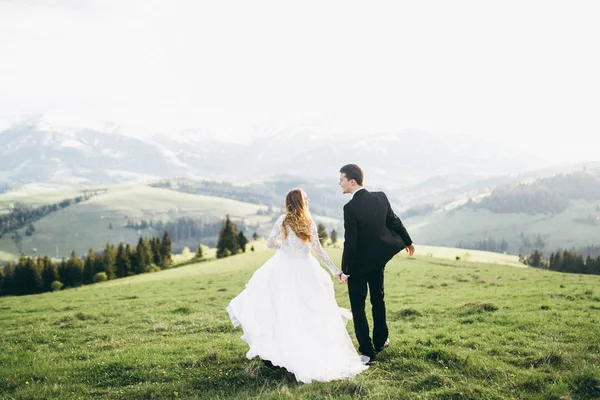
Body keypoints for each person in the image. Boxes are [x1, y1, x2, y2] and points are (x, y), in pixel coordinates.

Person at [226, 188, 369, 383]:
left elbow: (269, 243)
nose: (308, 199)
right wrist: (335, 270)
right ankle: (297, 351)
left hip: (284, 268)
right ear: (299, 202)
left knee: (283, 309)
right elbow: (318, 251)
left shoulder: (283, 220)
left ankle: (284, 353)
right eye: (305, 197)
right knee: (307, 311)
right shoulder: (308, 222)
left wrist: (285, 247)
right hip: (305, 269)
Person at [339, 164, 415, 362]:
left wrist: (346, 270)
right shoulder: (381, 197)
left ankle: (367, 352)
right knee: (377, 300)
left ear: (352, 181)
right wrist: (408, 241)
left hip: (358, 267)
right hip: (377, 262)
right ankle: (380, 341)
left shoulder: (350, 207)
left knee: (358, 307)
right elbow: (394, 221)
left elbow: (351, 242)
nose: (340, 183)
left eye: (342, 179)